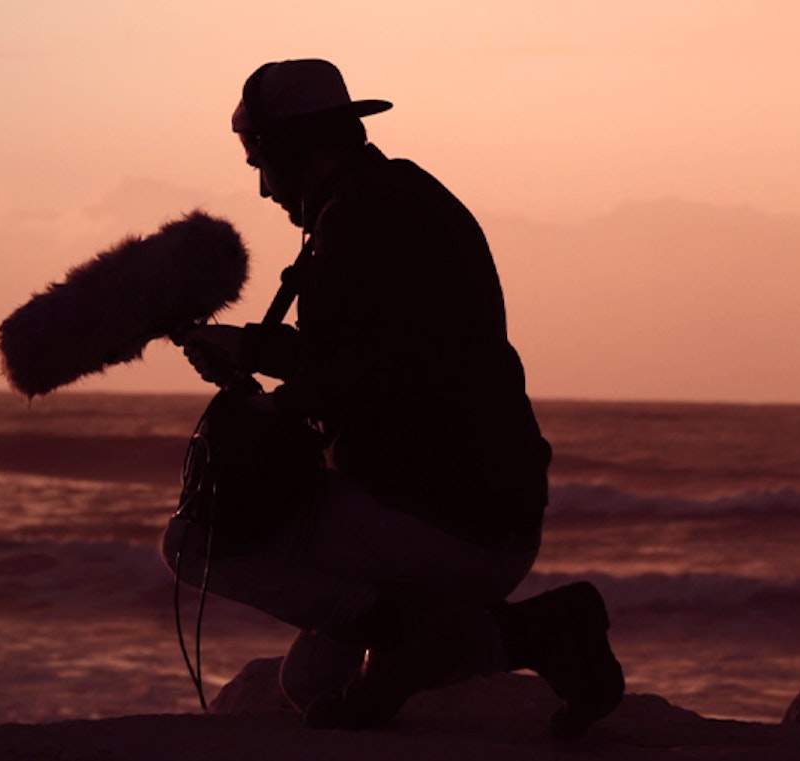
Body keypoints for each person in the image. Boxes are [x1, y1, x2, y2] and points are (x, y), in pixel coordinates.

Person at [163, 58, 625, 739]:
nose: (262, 187)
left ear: (296, 148)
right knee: (311, 684)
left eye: (261, 160)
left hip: (441, 518)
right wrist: (249, 351)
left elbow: (382, 365)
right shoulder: (400, 199)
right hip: (492, 519)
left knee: (190, 542)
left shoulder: (364, 222)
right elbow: (382, 351)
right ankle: (531, 632)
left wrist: (275, 408)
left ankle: (401, 626)